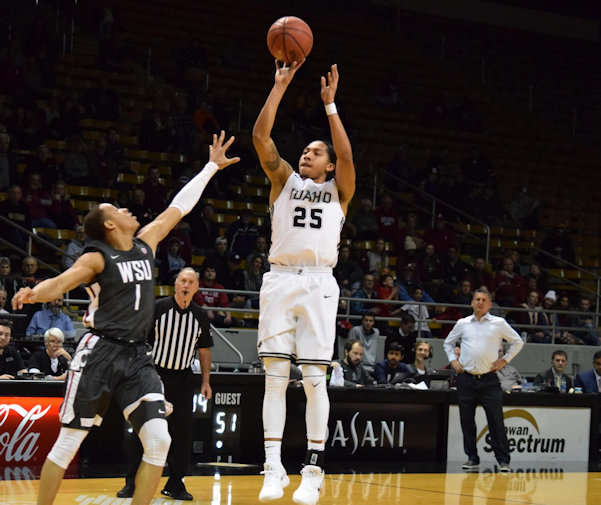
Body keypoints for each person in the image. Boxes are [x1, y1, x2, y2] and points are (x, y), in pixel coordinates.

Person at [12, 131, 238, 505]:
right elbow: (62, 282)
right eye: (116, 210)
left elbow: (178, 208)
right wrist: (34, 292)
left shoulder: (145, 244)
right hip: (99, 353)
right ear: (109, 226)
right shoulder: (97, 257)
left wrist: (210, 167)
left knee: (160, 440)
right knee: (69, 442)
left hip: (137, 357)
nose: (125, 209)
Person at [252, 60, 355, 505]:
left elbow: (348, 156)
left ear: (328, 165)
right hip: (279, 278)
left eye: (316, 152)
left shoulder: (340, 189)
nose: (306, 154)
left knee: (315, 379)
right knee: (275, 379)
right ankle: (272, 467)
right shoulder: (283, 180)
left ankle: (312, 469)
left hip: (318, 283)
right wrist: (278, 87)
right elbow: (261, 138)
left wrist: (330, 106)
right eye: (306, 151)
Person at [117, 267, 213, 500]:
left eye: (191, 282)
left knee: (182, 433)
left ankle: (176, 483)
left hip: (183, 379)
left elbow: (204, 352)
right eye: (183, 281)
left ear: (197, 288)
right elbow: (140, 342)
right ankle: (132, 481)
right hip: (154, 376)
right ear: (175, 285)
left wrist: (206, 382)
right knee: (143, 428)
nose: (186, 285)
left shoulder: (200, 315)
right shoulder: (159, 309)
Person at [443, 287, 524, 472]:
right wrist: (453, 360)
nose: (479, 302)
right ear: (472, 302)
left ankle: (503, 460)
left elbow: (518, 341)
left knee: (496, 420)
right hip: (466, 379)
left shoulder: (499, 323)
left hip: (489, 379)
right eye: (477, 299)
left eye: (483, 300)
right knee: (467, 420)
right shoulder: (463, 323)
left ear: (489, 304)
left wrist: (504, 360)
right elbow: (448, 343)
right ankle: (472, 457)